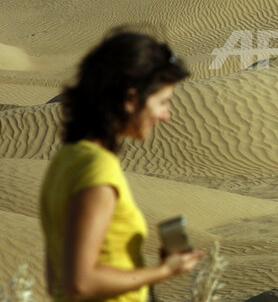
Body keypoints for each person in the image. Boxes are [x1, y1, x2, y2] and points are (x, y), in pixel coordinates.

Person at [40, 30, 204, 301]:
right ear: (130, 100)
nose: (166, 115)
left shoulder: (65, 161)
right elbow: (80, 283)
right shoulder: (97, 170)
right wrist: (164, 270)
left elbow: (55, 278)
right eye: (162, 102)